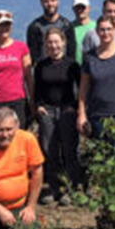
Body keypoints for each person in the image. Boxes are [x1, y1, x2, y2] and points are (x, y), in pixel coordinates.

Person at [34, 27, 83, 203]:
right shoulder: (41, 65)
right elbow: (37, 88)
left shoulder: (72, 65)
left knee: (69, 149)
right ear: (45, 44)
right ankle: (54, 188)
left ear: (63, 42)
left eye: (56, 41)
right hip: (47, 110)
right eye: (50, 42)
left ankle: (72, 188)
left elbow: (82, 88)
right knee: (49, 149)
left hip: (67, 110)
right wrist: (38, 106)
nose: (53, 45)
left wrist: (75, 107)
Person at [26, 0, 76, 65]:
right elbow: (33, 54)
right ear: (41, 3)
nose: (50, 4)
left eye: (53, 0)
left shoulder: (66, 25)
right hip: (43, 69)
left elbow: (71, 52)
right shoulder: (35, 27)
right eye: (46, 1)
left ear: (57, 2)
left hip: (65, 68)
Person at [71, 0, 95, 65]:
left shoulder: (97, 27)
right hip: (73, 66)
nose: (80, 10)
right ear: (73, 9)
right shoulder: (68, 28)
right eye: (77, 7)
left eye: (83, 7)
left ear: (89, 8)